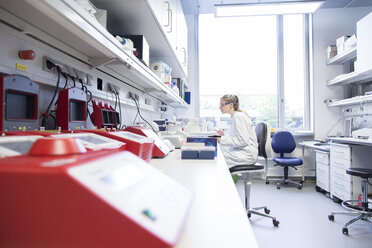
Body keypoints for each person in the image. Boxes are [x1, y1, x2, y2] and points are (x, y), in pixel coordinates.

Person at [217, 94, 258, 168]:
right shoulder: (235, 116)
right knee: (220, 153)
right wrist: (224, 135)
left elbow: (242, 140)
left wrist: (221, 140)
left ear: (231, 105)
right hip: (243, 151)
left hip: (247, 154)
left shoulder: (238, 116)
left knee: (219, 158)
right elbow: (236, 136)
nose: (219, 107)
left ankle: (224, 179)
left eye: (222, 105)